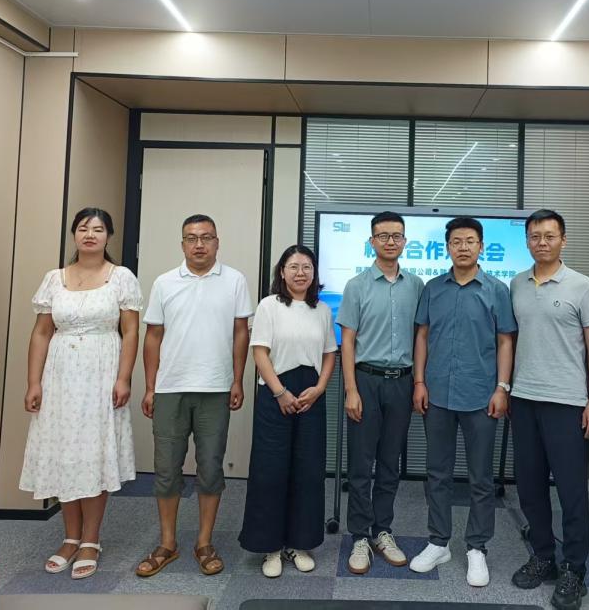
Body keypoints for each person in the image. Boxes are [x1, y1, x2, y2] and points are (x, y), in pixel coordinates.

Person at [20, 207, 142, 579]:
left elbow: (131, 332)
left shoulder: (121, 277)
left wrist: (124, 378)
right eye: (84, 228)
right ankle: (70, 537)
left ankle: (91, 539)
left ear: (108, 236)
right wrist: (34, 381)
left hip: (101, 373)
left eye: (98, 229)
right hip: (60, 376)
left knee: (93, 453)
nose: (90, 235)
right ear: (74, 234)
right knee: (63, 453)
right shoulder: (54, 279)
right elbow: (42, 332)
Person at [135, 215, 253, 578]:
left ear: (217, 242)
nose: (199, 244)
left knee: (211, 467)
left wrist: (237, 380)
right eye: (191, 238)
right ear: (182, 244)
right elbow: (153, 336)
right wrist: (150, 386)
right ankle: (167, 543)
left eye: (206, 237)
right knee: (166, 468)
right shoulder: (164, 282)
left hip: (215, 388)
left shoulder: (234, 280)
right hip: (170, 388)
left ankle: (204, 543)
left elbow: (241, 332)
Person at [409, 217, 517, 587]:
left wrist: (502, 387)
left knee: (480, 477)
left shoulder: (496, 290)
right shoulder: (433, 288)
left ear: (481, 246)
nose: (463, 247)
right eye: (456, 241)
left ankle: (477, 547)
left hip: (481, 395)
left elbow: (505, 341)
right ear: (447, 247)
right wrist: (419, 381)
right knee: (437, 473)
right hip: (437, 392)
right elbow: (422, 336)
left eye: (470, 241)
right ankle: (438, 541)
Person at [509, 209, 589, 610]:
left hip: (567, 402)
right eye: (535, 236)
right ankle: (544, 556)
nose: (542, 242)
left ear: (563, 240)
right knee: (530, 486)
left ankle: (574, 569)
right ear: (527, 241)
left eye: (549, 236)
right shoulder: (516, 283)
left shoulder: (581, 285)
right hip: (523, 399)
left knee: (571, 491)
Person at [238, 245, 338, 577]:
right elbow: (259, 352)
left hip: (311, 393)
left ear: (314, 273)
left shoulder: (322, 310)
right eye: (293, 266)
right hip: (275, 393)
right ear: (282, 272)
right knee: (271, 471)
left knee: (308, 471)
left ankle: (299, 543)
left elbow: (329, 353)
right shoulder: (269, 305)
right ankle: (271, 547)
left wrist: (320, 388)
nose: (300, 273)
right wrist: (280, 392)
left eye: (306, 267)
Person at [337, 211, 424, 574]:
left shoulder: (416, 285)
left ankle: (382, 530)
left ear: (405, 241)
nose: (390, 241)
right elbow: (348, 341)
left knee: (390, 462)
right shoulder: (356, 286)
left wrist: (418, 383)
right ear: (371, 241)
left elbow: (422, 338)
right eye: (383, 236)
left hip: (401, 382)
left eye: (396, 236)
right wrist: (351, 389)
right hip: (366, 381)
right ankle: (359, 534)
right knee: (361, 463)